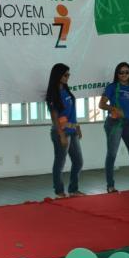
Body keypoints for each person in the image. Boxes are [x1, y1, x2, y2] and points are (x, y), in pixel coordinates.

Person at [99, 62, 129, 192]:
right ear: (117, 74)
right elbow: (101, 104)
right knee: (112, 154)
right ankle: (110, 186)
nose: (124, 74)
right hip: (115, 124)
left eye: (126, 72)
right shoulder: (112, 87)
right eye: (121, 72)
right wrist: (114, 109)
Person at [46, 63, 83, 198]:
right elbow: (54, 117)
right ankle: (59, 191)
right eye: (65, 75)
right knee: (60, 163)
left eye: (69, 75)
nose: (68, 77)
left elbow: (72, 112)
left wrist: (77, 127)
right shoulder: (53, 94)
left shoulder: (66, 90)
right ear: (58, 76)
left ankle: (73, 190)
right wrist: (61, 134)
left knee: (78, 161)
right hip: (61, 132)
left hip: (72, 131)